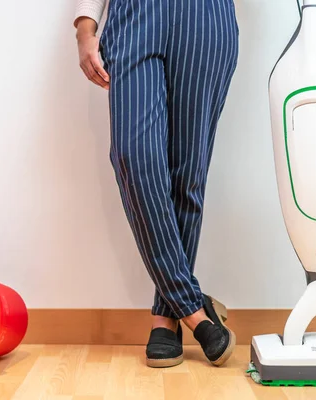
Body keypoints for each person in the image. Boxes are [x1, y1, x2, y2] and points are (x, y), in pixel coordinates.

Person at [74, 0, 240, 368]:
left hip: (206, 17)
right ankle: (194, 309)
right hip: (134, 15)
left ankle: (165, 319)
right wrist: (85, 28)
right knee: (133, 158)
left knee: (187, 174)